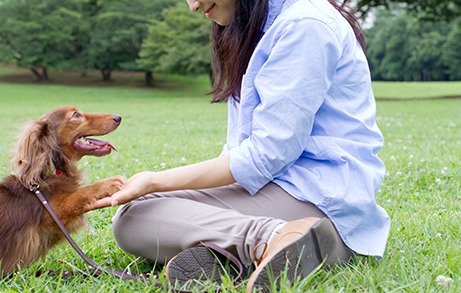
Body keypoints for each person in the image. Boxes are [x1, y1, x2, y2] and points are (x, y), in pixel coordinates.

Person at [88, 0, 390, 291]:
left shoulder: (305, 24)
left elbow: (268, 153)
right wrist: (159, 186)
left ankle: (283, 239)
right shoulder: (255, 28)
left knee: (134, 218)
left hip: (316, 193)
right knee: (139, 211)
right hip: (277, 185)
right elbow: (243, 149)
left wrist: (156, 180)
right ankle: (240, 257)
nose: (192, 6)